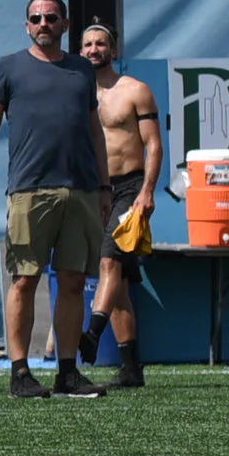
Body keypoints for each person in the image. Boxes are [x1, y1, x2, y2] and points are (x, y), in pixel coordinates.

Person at [0, 0, 109, 400]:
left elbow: (94, 130)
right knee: (25, 280)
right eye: (36, 18)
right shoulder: (7, 68)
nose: (43, 23)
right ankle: (19, 374)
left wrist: (103, 186)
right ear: (26, 25)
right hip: (30, 189)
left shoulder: (82, 70)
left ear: (65, 25)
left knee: (71, 282)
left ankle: (67, 373)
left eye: (51, 17)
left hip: (81, 190)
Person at [76, 20, 160, 389]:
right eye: (88, 44)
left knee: (109, 258)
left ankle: (91, 333)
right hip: (92, 190)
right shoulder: (75, 94)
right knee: (120, 283)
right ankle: (131, 369)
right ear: (80, 51)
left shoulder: (135, 90)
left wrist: (147, 192)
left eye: (101, 43)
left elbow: (153, 145)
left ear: (113, 49)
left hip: (129, 188)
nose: (94, 49)